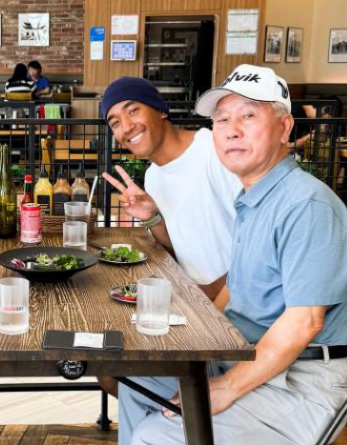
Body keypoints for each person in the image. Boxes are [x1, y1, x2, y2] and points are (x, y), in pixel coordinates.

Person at [130, 64, 347, 445]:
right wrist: (198, 338)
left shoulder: (307, 204)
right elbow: (237, 284)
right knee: (137, 381)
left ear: (285, 128)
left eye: (248, 115)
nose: (232, 130)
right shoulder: (254, 197)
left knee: (155, 437)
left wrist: (224, 388)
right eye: (222, 120)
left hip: (299, 383)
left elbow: (306, 323)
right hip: (244, 357)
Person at [97, 77, 242, 431]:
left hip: (232, 313)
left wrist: (205, 311)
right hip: (193, 301)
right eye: (115, 121)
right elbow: (180, 249)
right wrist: (153, 218)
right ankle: (168, 428)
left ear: (160, 109)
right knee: (109, 368)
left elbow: (253, 250)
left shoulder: (213, 150)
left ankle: (176, 428)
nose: (125, 126)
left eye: (133, 110)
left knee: (124, 373)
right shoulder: (155, 176)